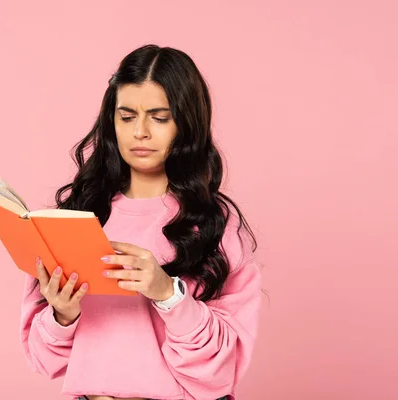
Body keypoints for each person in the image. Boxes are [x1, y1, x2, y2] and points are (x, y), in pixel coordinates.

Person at [19, 44, 262, 400]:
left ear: (187, 123)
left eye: (160, 117)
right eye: (127, 116)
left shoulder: (214, 225)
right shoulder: (76, 217)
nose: (140, 132)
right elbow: (42, 359)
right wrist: (63, 315)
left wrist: (168, 294)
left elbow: (223, 368)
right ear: (111, 120)